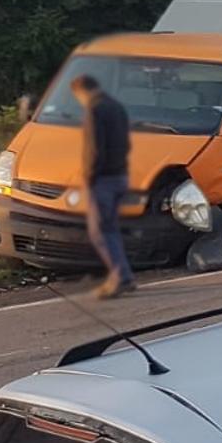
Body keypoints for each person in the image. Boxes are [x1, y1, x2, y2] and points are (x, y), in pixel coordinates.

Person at [72, 75, 135, 299]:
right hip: (121, 175)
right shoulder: (117, 107)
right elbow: (127, 144)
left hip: (103, 180)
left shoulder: (94, 109)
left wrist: (89, 176)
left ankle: (120, 278)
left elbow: (94, 148)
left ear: (80, 91)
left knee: (99, 231)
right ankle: (124, 274)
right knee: (110, 229)